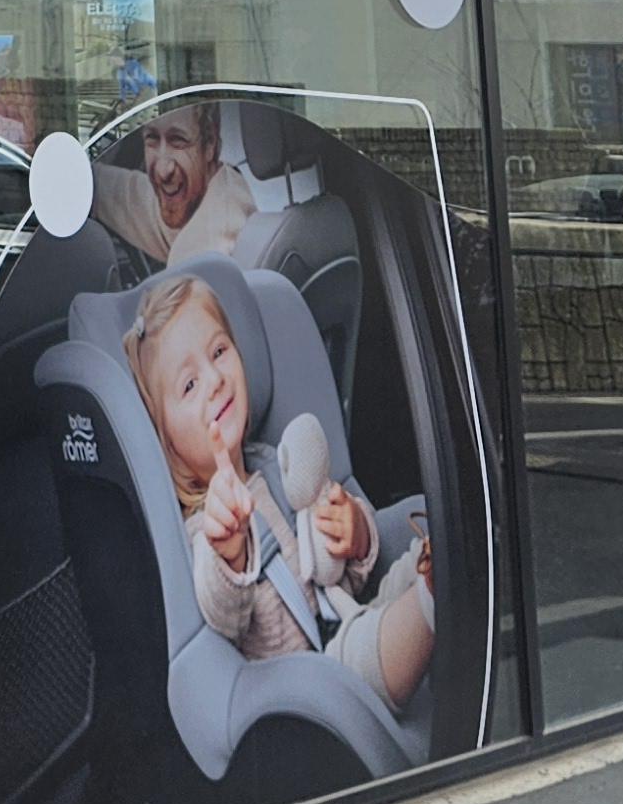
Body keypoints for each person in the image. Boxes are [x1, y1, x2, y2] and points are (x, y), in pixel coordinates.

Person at [126, 271, 432, 710]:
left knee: (417, 558)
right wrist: (231, 553)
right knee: (389, 625)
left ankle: (436, 579)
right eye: (189, 385)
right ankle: (433, 596)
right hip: (307, 689)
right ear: (167, 441)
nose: (214, 379)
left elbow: (341, 575)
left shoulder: (275, 463)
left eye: (219, 351)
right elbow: (225, 614)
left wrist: (356, 533)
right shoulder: (204, 528)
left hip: (345, 620)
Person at [92, 97, 253, 265]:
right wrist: (90, 183)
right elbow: (133, 199)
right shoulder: (214, 189)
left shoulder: (209, 246)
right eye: (152, 138)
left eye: (178, 140)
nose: (162, 171)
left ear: (210, 143)